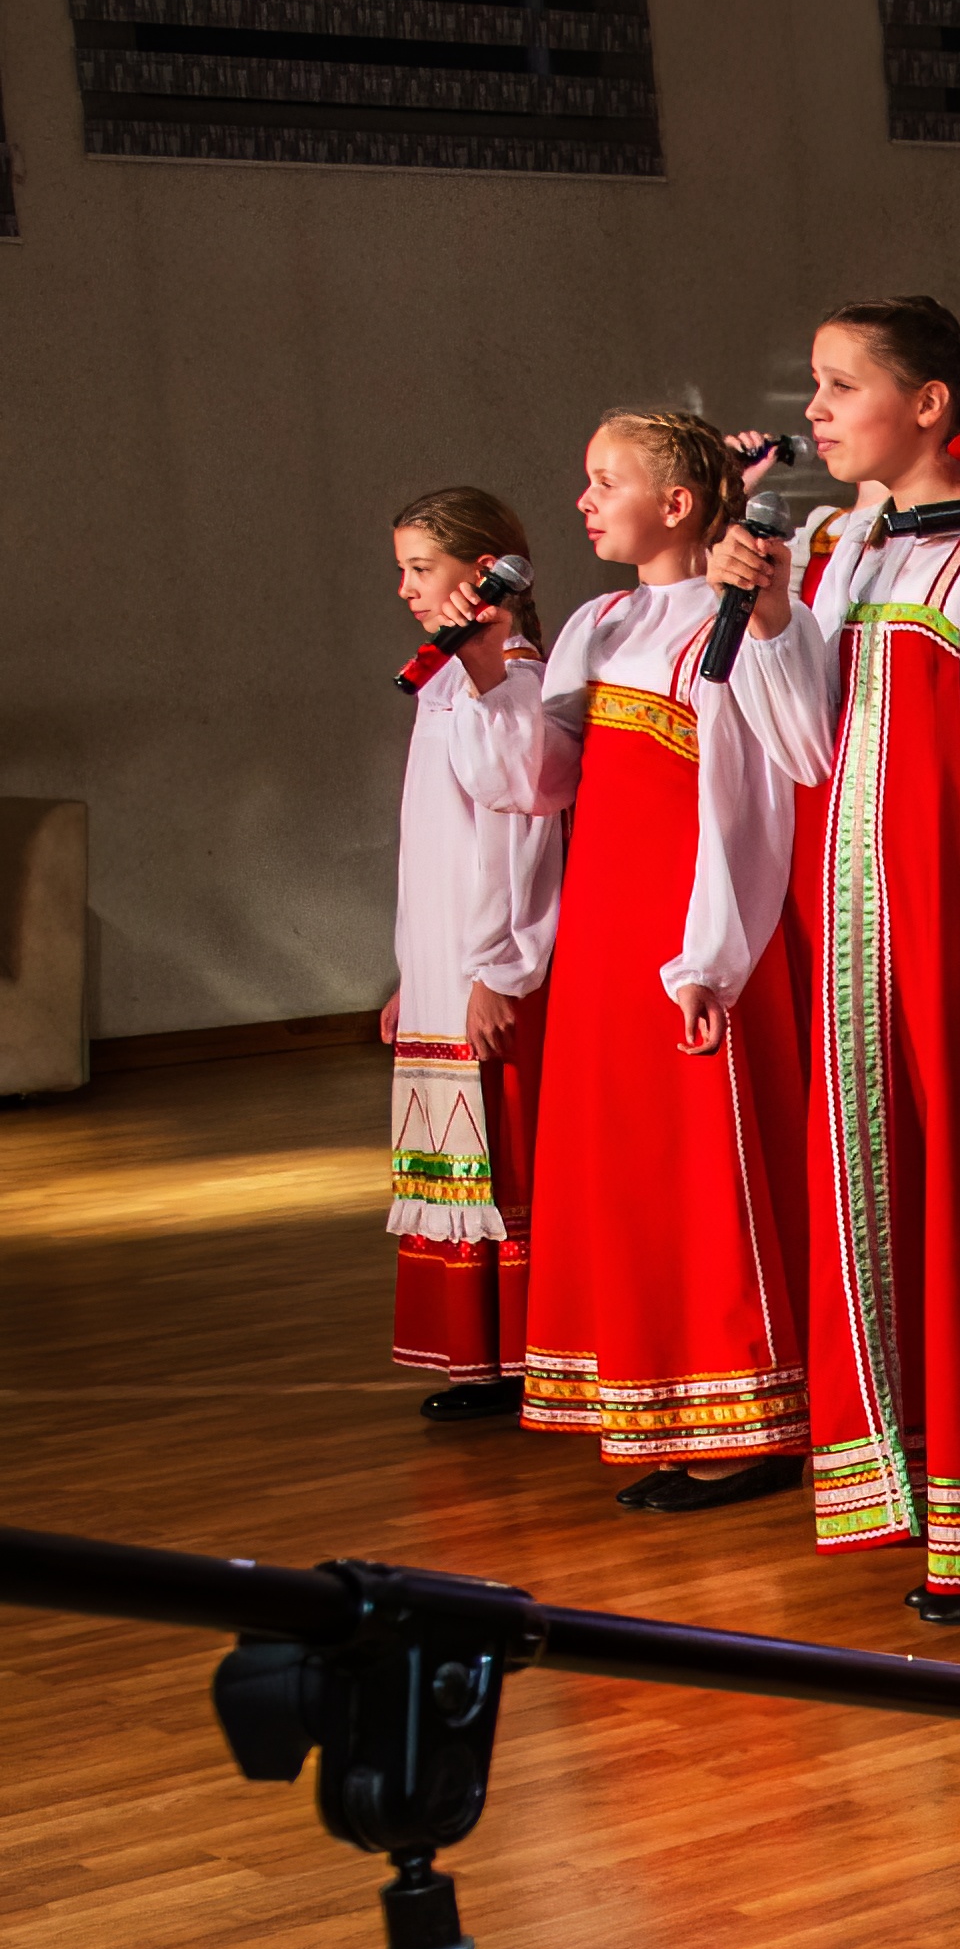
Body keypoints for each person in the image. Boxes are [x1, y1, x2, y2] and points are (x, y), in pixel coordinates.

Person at [710, 294, 960, 1622]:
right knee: (894, 1192)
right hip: (867, 925)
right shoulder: (857, 546)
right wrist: (763, 623)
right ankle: (930, 1487)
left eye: (838, 384)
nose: (814, 410)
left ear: (930, 404)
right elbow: (813, 745)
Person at [504, 411, 812, 1510]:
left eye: (606, 480)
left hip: (684, 937)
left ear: (678, 504)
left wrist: (710, 959)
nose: (583, 501)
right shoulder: (600, 621)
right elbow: (542, 785)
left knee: (703, 1166)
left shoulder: (729, 621)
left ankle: (741, 1414)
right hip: (603, 931)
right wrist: (502, 668)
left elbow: (746, 807)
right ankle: (660, 1395)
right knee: (626, 1166)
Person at [381, 486, 561, 1420]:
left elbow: (519, 835)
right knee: (460, 1155)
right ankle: (480, 1352)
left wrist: (499, 967)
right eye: (403, 570)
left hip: (490, 963)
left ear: (483, 568)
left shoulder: (510, 676)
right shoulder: (448, 678)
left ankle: (528, 1350)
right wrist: (414, 974)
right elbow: (432, 843)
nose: (408, 589)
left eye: (423, 567)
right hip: (443, 959)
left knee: (505, 1154)